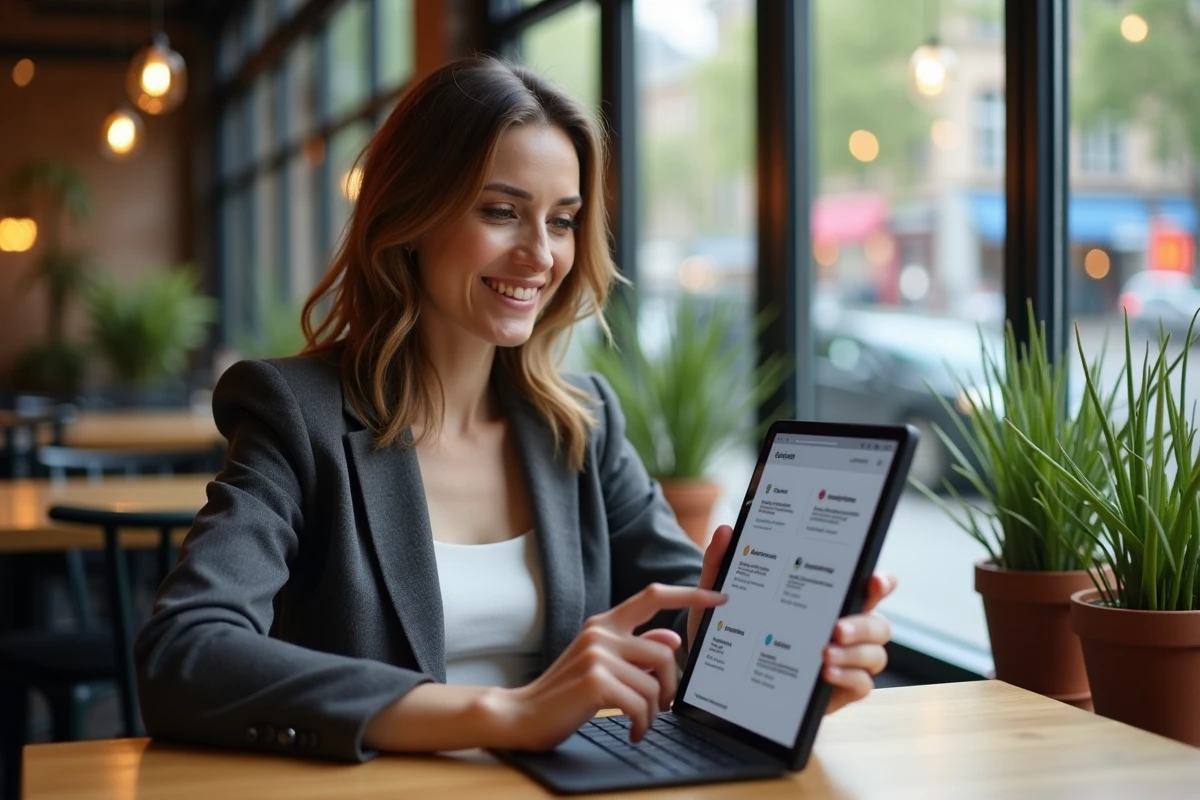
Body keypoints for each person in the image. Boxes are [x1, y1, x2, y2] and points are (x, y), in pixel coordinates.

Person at [134, 56, 896, 762]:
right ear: (411, 218)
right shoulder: (296, 414)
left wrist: (781, 666)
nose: (541, 254)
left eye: (562, 220)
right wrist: (503, 712)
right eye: (502, 211)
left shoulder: (582, 424)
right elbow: (186, 652)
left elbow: (672, 619)